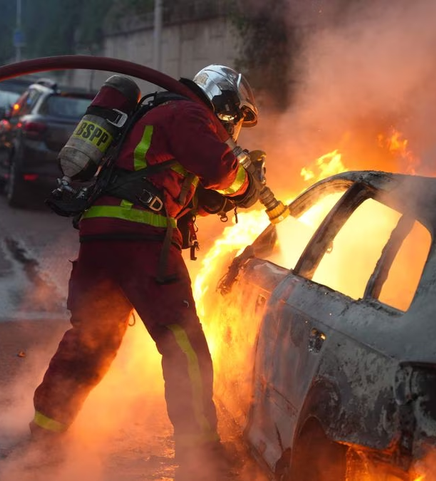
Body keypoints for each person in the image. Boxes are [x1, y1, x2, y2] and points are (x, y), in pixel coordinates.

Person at [31, 65, 263, 479]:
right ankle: (201, 456)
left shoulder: (152, 113)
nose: (230, 127)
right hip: (140, 237)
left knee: (92, 339)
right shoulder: (189, 113)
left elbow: (166, 183)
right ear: (223, 102)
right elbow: (222, 169)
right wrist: (247, 184)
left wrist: (214, 202)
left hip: (100, 234)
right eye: (233, 117)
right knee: (183, 344)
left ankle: (45, 431)